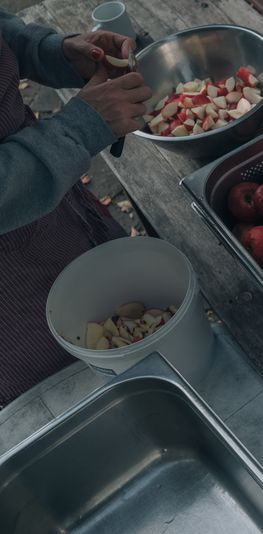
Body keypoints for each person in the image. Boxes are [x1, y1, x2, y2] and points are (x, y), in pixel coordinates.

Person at [0, 11, 152, 407]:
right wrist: (78, 129)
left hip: (59, 215)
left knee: (130, 330)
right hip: (13, 306)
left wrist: (54, 52)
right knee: (83, 401)